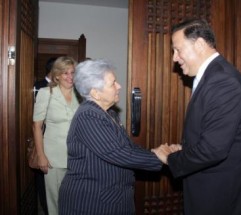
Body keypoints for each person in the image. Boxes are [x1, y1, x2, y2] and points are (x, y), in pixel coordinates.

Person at [152, 19, 241, 215]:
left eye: (178, 50)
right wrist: (187, 149)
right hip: (216, 189)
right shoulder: (212, 76)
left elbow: (213, 150)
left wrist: (171, 158)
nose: (174, 58)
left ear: (199, 45)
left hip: (226, 194)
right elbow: (214, 134)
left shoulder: (223, 81)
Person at [58, 59, 163, 215]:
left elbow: (128, 147)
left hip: (111, 198)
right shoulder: (88, 115)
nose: (119, 86)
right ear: (95, 93)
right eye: (113, 83)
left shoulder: (109, 113)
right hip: (91, 203)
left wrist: (154, 153)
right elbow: (118, 153)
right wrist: (160, 158)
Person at [33, 56, 79, 215]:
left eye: (72, 72)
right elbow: (37, 126)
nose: (70, 77)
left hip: (78, 157)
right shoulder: (46, 93)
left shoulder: (81, 95)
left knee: (76, 199)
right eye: (65, 73)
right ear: (57, 75)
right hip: (53, 157)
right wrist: (41, 156)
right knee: (55, 202)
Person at [32, 57, 57, 215]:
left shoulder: (66, 88)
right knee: (43, 180)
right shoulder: (38, 86)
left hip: (59, 144)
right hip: (43, 139)